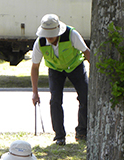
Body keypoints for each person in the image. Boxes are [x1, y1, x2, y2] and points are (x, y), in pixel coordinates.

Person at [30, 14, 90, 145]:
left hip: (75, 66)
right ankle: (59, 136)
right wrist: (35, 92)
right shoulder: (39, 43)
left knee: (85, 97)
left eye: (52, 33)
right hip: (55, 70)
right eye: (47, 33)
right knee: (55, 101)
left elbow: (87, 52)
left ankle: (82, 131)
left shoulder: (72, 35)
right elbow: (35, 67)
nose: (49, 36)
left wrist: (97, 74)